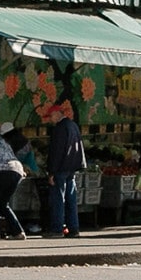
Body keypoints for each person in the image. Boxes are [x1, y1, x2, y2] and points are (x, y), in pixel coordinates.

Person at [47, 101, 86, 238]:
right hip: (72, 167)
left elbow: (56, 152)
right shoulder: (73, 125)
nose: (50, 119)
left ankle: (57, 229)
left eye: (50, 116)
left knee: (58, 199)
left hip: (61, 168)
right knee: (71, 199)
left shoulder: (59, 128)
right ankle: (73, 228)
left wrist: (51, 171)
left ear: (57, 114)